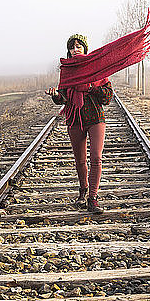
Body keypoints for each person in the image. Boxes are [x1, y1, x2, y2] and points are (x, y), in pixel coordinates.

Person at [47, 34, 113, 214]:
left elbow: (107, 97)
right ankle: (82, 191)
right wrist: (55, 96)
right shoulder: (66, 70)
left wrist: (91, 88)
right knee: (80, 161)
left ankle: (93, 198)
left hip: (95, 118)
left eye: (79, 46)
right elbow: (64, 98)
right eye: (72, 47)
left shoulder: (96, 68)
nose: (75, 49)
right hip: (75, 119)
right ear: (68, 50)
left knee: (96, 158)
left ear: (85, 48)